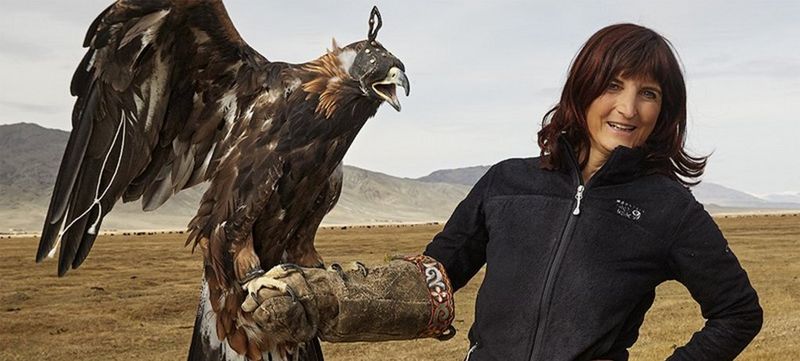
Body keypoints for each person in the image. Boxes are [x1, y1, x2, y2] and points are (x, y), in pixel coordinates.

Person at [242, 23, 763, 361]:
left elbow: (738, 311)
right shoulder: (508, 182)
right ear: (582, 90)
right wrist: (334, 299)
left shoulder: (668, 208)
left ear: (663, 111)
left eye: (647, 94)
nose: (628, 108)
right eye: (612, 85)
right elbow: (435, 281)